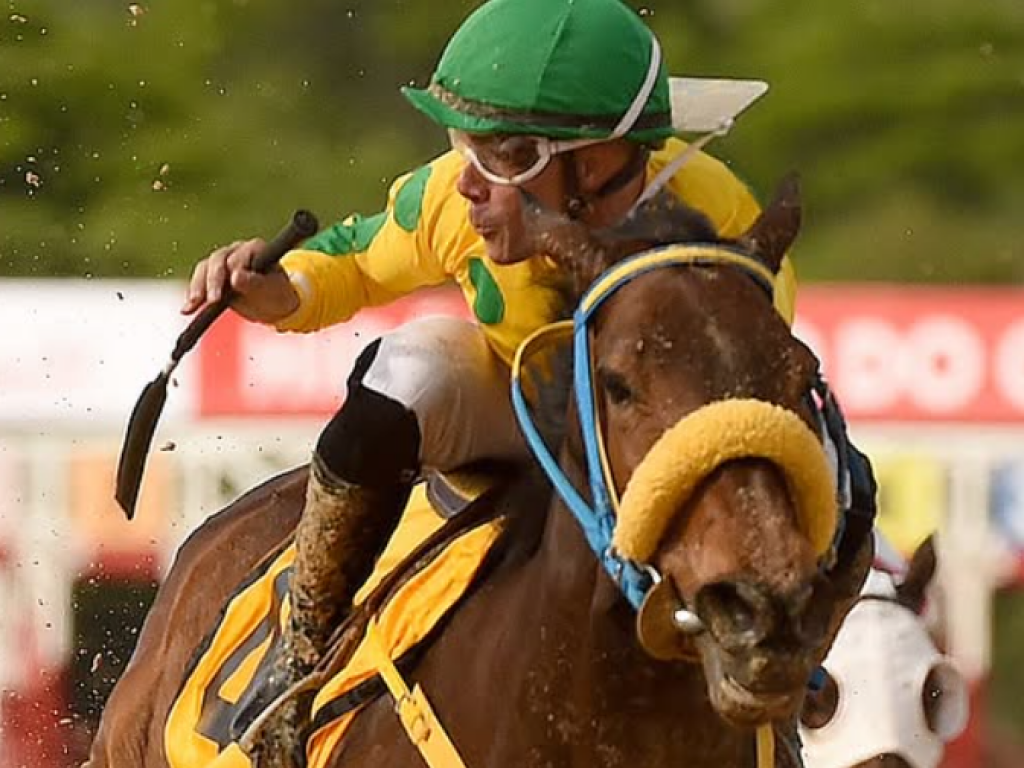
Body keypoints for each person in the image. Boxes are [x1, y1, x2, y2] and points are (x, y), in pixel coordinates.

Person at [182, 0, 800, 689]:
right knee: (413, 366)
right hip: (525, 411)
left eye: (505, 155)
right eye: (462, 144)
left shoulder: (720, 219)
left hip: (663, 445)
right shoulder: (454, 200)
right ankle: (299, 654)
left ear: (596, 164)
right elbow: (355, 259)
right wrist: (285, 290)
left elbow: (750, 399)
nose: (467, 183)